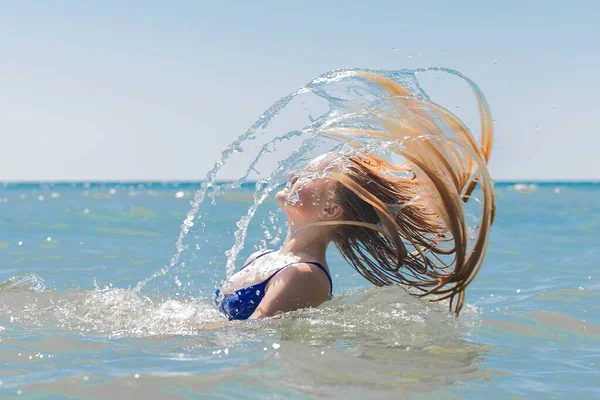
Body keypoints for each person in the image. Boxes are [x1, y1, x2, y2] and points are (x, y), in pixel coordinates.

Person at [215, 71, 495, 320]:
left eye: (312, 175)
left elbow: (248, 338)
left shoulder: (304, 276)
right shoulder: (260, 256)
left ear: (330, 210)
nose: (294, 176)